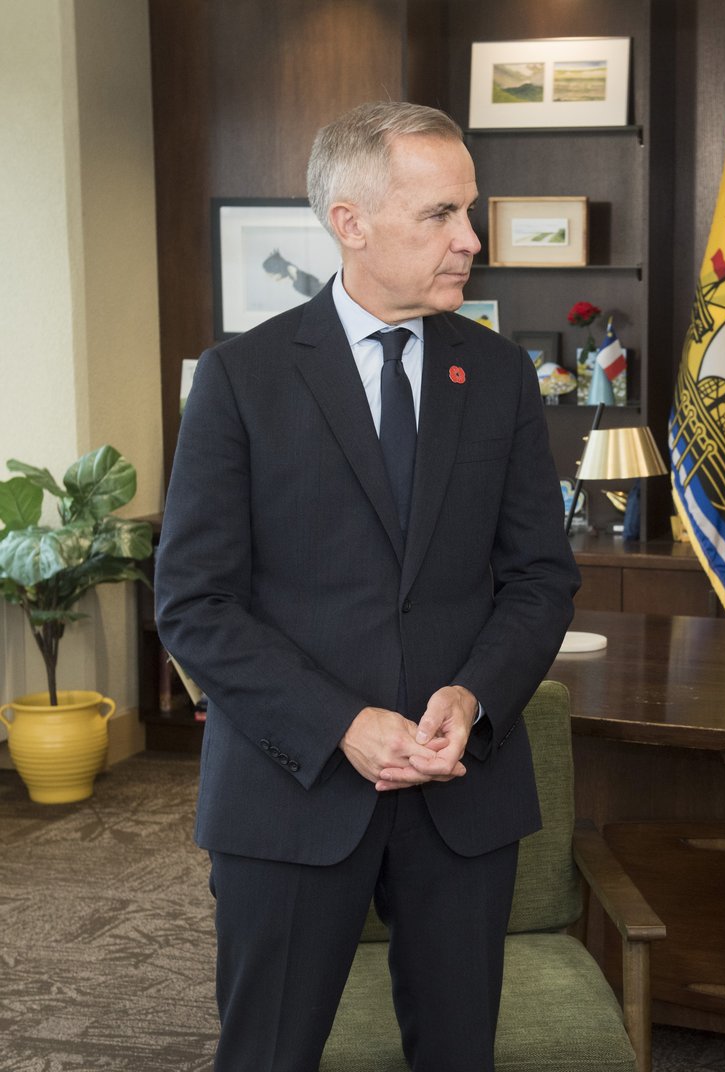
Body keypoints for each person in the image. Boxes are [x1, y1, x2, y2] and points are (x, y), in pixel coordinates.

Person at [156, 101, 579, 1070]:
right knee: (268, 1050)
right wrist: (341, 722)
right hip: (289, 789)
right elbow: (195, 603)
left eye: (468, 212)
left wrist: (473, 696)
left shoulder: (502, 375)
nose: (469, 241)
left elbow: (539, 579)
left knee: (457, 1051)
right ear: (349, 221)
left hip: (458, 788)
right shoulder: (240, 380)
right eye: (439, 215)